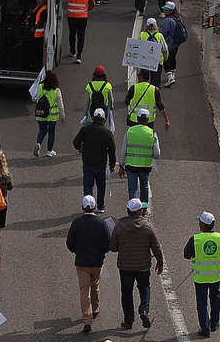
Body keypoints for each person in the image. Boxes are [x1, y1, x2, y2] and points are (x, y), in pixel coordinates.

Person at [109, 198, 163, 331]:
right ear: (139, 211)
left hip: (125, 266)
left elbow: (113, 247)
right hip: (143, 266)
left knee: (126, 292)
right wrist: (160, 262)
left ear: (128, 210)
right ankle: (144, 310)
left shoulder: (119, 226)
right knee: (144, 287)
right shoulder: (147, 226)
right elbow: (156, 246)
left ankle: (128, 320)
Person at [66, 195, 111, 334]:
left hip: (81, 262)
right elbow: (107, 245)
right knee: (95, 285)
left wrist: (77, 251)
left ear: (82, 208)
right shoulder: (101, 223)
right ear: (95, 207)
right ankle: (95, 308)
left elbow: (69, 243)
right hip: (96, 263)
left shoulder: (76, 223)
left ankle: (87, 319)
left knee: (84, 290)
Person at [184, 211, 220, 337]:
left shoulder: (196, 239)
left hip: (200, 277)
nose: (198, 224)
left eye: (199, 222)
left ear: (203, 224)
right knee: (215, 298)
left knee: (202, 303)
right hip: (215, 276)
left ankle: (205, 329)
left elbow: (186, 254)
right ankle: (214, 323)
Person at [73, 108, 116, 212]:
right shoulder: (108, 133)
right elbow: (112, 151)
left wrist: (81, 147)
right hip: (101, 164)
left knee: (88, 185)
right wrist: (112, 165)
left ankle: (88, 205)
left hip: (87, 162)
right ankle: (100, 206)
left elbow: (75, 143)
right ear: (104, 119)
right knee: (101, 186)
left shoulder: (85, 129)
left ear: (92, 118)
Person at [33, 70, 64, 157]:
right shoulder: (56, 90)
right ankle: (49, 151)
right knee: (51, 132)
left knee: (42, 130)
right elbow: (60, 105)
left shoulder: (39, 87)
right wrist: (62, 116)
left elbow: (34, 98)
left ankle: (39, 143)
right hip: (52, 116)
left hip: (40, 114)